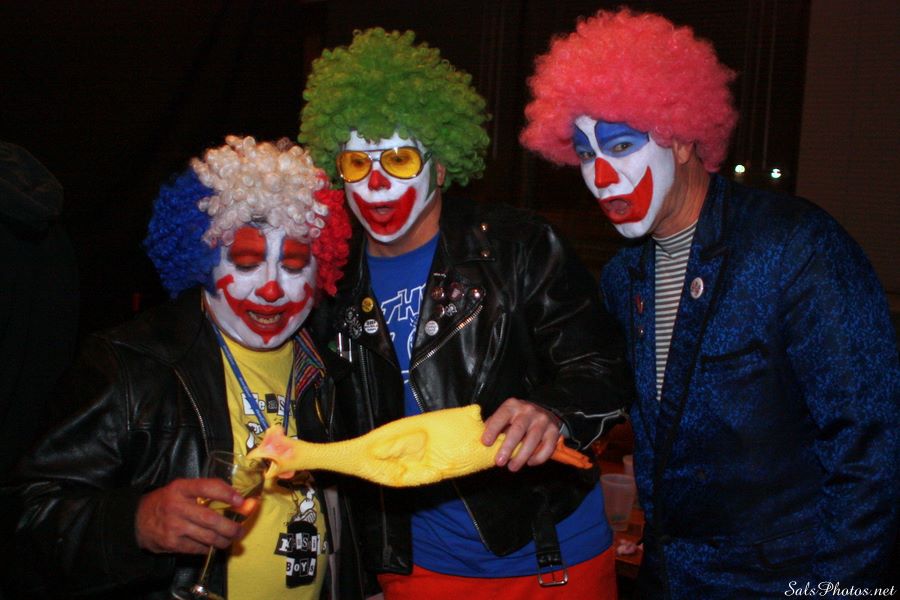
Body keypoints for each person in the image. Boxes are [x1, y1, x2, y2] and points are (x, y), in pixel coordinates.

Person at [521, 7, 900, 598]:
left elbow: (871, 448)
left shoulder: (795, 246)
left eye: (620, 144)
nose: (601, 176)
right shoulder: (624, 277)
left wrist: (836, 591)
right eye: (587, 154)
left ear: (679, 137)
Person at [299, 28, 630, 599]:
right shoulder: (332, 281)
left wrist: (553, 411)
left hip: (550, 561)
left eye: (399, 159)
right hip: (417, 571)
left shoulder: (518, 247)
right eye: (356, 162)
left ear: (440, 167)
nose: (376, 183)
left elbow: (603, 364)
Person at [2, 136, 363, 599]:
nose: (272, 289)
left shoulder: (329, 373)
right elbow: (25, 520)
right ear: (203, 262)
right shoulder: (132, 364)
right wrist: (135, 522)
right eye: (246, 262)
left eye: (293, 265)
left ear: (321, 271)